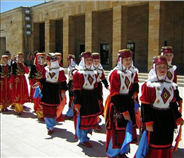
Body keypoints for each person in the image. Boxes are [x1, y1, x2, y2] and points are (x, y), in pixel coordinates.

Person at [140, 56, 183, 158]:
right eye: (159, 67)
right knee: (155, 143)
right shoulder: (149, 85)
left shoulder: (171, 85)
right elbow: (145, 105)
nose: (162, 69)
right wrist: (148, 122)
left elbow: (172, 104)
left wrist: (177, 117)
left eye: (164, 67)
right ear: (154, 68)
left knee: (167, 142)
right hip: (155, 117)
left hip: (167, 118)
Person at [105, 49, 137, 158]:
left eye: (130, 59)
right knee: (117, 130)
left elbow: (130, 88)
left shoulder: (129, 72)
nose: (128, 61)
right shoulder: (115, 74)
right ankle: (113, 153)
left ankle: (122, 151)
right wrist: (123, 110)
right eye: (126, 59)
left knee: (126, 128)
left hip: (127, 102)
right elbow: (114, 94)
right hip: (117, 106)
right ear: (120, 60)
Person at [73, 51, 101, 148]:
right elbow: (76, 89)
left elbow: (96, 86)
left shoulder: (94, 72)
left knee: (91, 116)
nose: (89, 61)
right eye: (87, 60)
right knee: (83, 118)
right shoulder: (78, 73)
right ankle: (83, 138)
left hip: (92, 97)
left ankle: (87, 133)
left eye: (90, 60)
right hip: (83, 97)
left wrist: (99, 98)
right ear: (83, 61)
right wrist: (77, 103)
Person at [37, 53, 67, 134]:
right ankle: (49, 126)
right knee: (46, 107)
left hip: (54, 90)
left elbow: (63, 82)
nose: (47, 62)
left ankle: (52, 123)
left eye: (48, 61)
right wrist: (38, 84)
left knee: (54, 108)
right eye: (47, 61)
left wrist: (63, 92)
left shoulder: (60, 71)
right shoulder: (45, 69)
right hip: (47, 90)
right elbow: (43, 79)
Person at [92, 52, 109, 131]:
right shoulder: (88, 68)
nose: (96, 62)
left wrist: (107, 86)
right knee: (93, 104)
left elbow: (103, 78)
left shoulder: (100, 69)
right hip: (91, 88)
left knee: (99, 103)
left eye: (97, 61)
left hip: (98, 87)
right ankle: (93, 122)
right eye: (94, 61)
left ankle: (97, 121)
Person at [28, 52, 46, 120]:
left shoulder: (46, 66)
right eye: (42, 58)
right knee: (37, 99)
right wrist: (32, 84)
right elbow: (30, 76)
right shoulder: (34, 67)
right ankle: (38, 112)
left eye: (44, 58)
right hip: (36, 84)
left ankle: (42, 112)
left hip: (43, 84)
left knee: (42, 99)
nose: (43, 59)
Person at [65, 54, 77, 119]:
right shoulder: (70, 67)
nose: (67, 61)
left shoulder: (74, 67)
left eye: (68, 60)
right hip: (70, 83)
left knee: (72, 98)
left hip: (73, 83)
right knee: (71, 98)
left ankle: (71, 113)